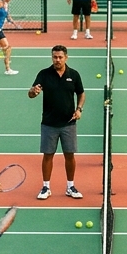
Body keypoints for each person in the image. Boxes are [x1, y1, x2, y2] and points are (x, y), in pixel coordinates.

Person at [29, 45, 85, 201]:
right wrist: (33, 92)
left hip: (69, 123)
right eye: (55, 57)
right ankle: (46, 187)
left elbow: (81, 94)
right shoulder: (44, 74)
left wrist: (79, 109)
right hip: (49, 123)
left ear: (66, 57)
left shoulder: (73, 75)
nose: (57, 60)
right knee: (48, 156)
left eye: (60, 57)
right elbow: (31, 93)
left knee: (69, 155)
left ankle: (70, 186)